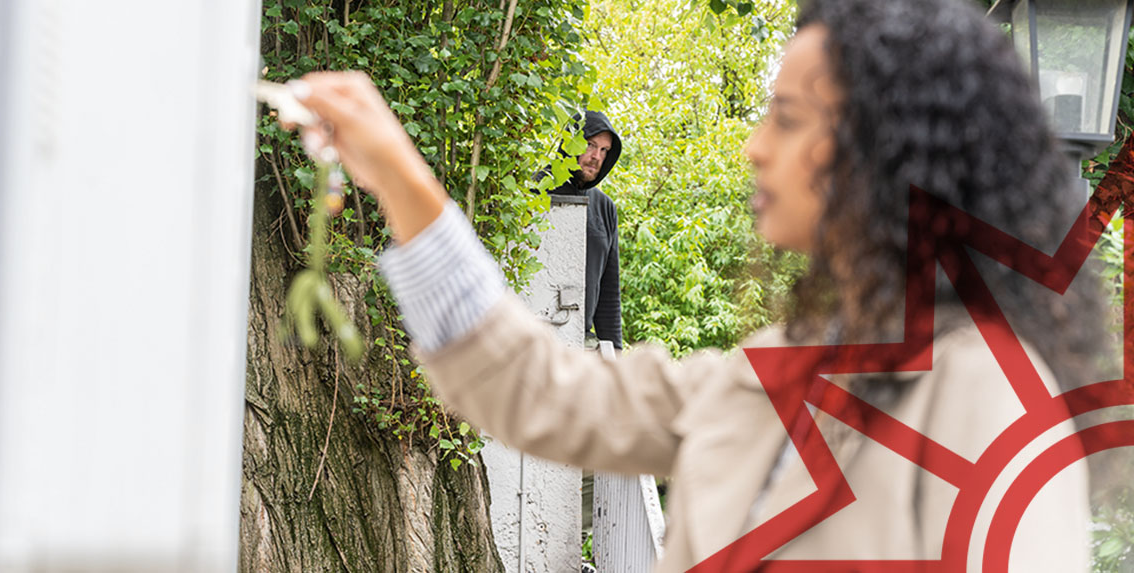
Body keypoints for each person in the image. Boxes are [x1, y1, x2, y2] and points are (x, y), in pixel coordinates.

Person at [282, 0, 1104, 569]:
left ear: (880, 148)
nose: (753, 147)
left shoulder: (993, 403)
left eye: (785, 117)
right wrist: (398, 176)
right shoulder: (775, 368)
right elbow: (540, 389)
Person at [544, 111, 624, 350]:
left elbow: (609, 290)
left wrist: (615, 352)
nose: (596, 157)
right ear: (570, 141)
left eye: (604, 151)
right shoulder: (535, 191)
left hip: (580, 342)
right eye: (590, 145)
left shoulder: (604, 207)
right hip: (532, 339)